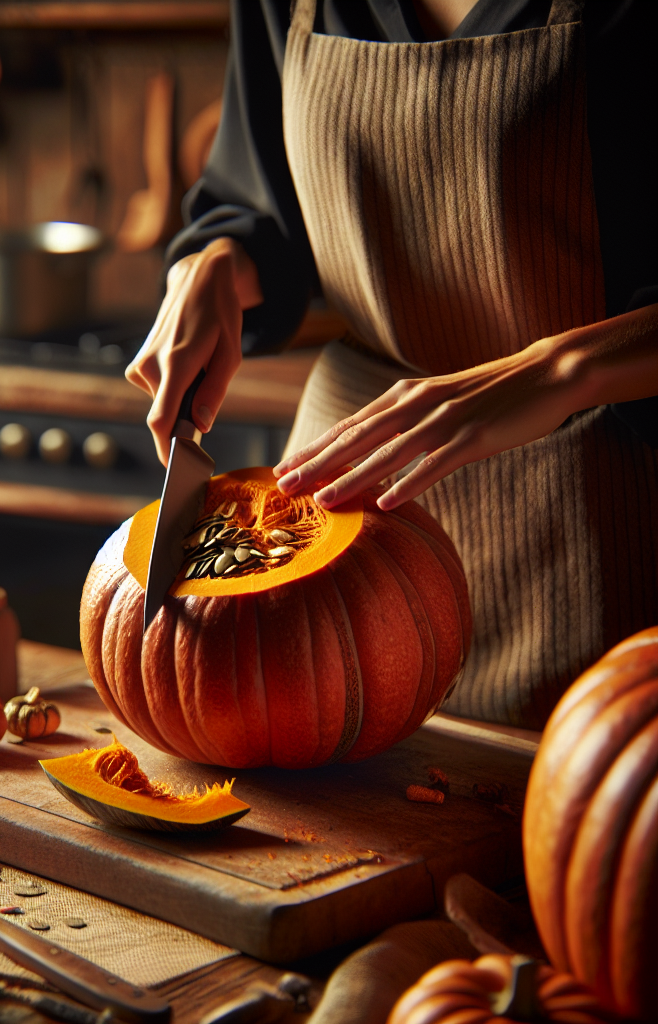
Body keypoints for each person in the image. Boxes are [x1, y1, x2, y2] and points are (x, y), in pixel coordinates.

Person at [124, 0, 657, 728]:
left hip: (592, 519)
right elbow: (261, 206)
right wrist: (218, 258)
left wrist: (559, 368)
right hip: (341, 493)